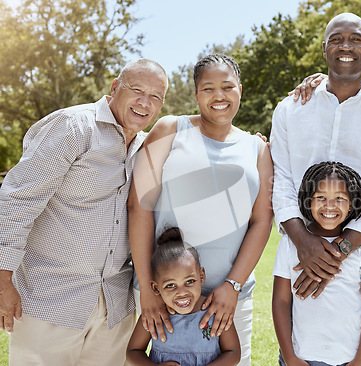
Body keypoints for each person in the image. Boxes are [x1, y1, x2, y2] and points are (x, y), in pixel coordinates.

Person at [0, 58, 168, 365]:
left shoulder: (146, 149)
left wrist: (256, 145)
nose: (145, 102)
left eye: (156, 97)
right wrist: (2, 279)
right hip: (49, 300)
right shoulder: (73, 126)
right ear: (116, 87)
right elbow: (18, 200)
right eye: (137, 90)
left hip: (114, 309)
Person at [270, 13, 361, 364]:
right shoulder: (290, 109)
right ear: (323, 49)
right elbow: (281, 180)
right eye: (336, 38)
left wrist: (339, 251)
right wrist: (304, 244)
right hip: (300, 263)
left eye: (355, 39)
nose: (346, 46)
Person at [128, 54, 274, 366]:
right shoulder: (169, 128)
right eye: (208, 88)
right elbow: (138, 206)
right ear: (196, 95)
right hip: (165, 298)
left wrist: (232, 286)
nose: (218, 96)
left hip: (227, 303)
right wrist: (149, 290)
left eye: (227, 86)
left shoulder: (258, 150)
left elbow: (262, 221)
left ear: (240, 90)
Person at [273, 161, 361, 366]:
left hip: (351, 360)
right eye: (321, 197)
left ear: (352, 204)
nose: (329, 205)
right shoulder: (290, 244)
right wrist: (290, 357)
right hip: (302, 358)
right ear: (308, 201)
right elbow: (280, 301)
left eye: (340, 198)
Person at [127, 227, 240, 366]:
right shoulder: (155, 315)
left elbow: (233, 352)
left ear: (201, 276)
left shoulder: (215, 311)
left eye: (190, 281)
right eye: (170, 285)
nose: (182, 292)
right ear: (156, 287)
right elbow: (133, 351)